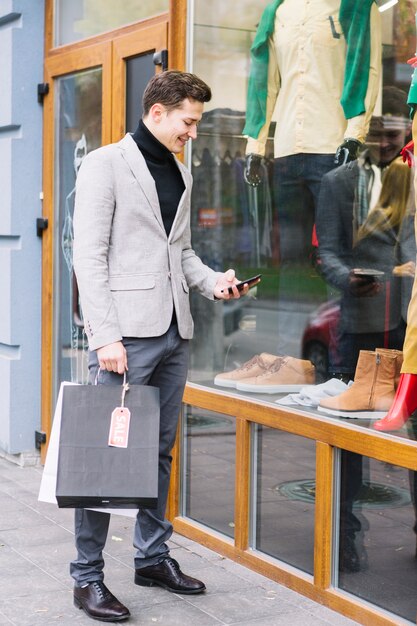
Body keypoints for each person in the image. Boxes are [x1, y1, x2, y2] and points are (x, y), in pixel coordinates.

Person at [71, 70, 247, 622]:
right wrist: (104, 336)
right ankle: (87, 577)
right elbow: (88, 257)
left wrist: (212, 280)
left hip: (174, 331)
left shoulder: (178, 169)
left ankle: (151, 557)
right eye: (189, 122)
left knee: (160, 452)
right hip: (124, 338)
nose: (193, 133)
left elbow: (182, 252)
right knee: (104, 457)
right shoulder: (105, 164)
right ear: (158, 113)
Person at [242, 0, 381, 355]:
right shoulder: (278, 13)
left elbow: (366, 67)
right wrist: (256, 146)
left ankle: (342, 360)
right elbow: (264, 82)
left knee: (338, 256)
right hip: (287, 149)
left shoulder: (352, 6)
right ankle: (293, 356)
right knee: (291, 258)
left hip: (332, 145)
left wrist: (354, 134)